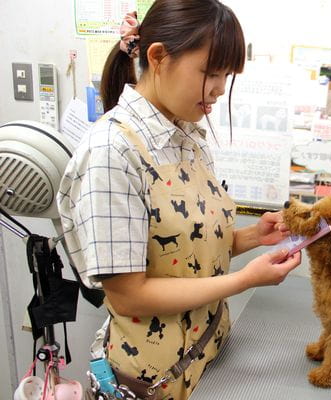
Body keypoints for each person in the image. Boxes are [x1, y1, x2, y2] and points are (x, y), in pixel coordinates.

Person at [56, 1, 301, 398]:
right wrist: (243, 281)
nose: (221, 88)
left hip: (207, 357)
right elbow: (129, 292)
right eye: (211, 72)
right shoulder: (112, 153)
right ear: (158, 57)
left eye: (227, 75)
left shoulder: (188, 139)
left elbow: (189, 252)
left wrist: (255, 236)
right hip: (152, 381)